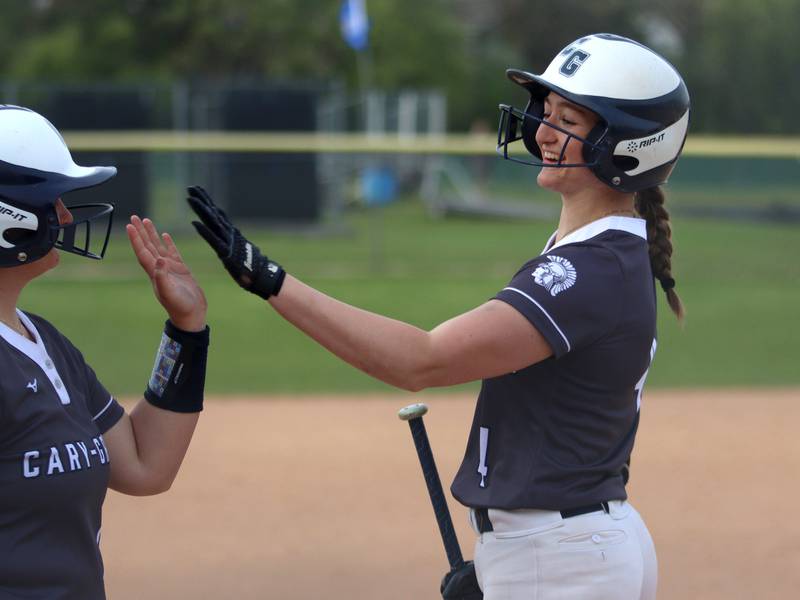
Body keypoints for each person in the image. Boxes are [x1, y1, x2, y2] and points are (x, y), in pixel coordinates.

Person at [187, 33, 689, 600]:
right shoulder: (602, 255)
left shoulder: (586, 272)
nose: (544, 132)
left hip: (564, 556)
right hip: (568, 546)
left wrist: (268, 279)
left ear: (627, 147)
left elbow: (419, 360)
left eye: (568, 120)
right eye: (546, 114)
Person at [0, 105, 209, 599]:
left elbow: (144, 464)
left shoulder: (42, 340)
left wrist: (186, 331)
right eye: (52, 201)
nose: (67, 217)